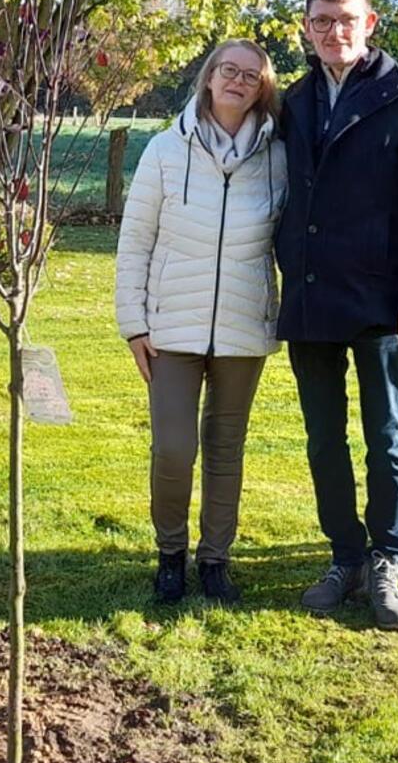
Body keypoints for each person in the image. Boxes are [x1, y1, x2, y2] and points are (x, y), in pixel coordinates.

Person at [277, 0, 398, 631]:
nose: (333, 32)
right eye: (321, 21)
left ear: (369, 22)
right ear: (306, 26)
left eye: (345, 20)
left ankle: (385, 562)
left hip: (383, 301)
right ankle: (343, 557)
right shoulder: (294, 102)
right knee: (324, 440)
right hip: (311, 299)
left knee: (386, 439)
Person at [115, 40, 286, 606]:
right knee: (173, 448)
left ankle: (215, 560)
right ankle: (171, 555)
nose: (237, 81)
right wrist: (133, 324)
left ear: (263, 86)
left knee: (225, 448)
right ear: (208, 78)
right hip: (170, 327)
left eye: (250, 74)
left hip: (243, 326)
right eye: (227, 70)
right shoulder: (165, 150)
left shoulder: (279, 156)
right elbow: (135, 241)